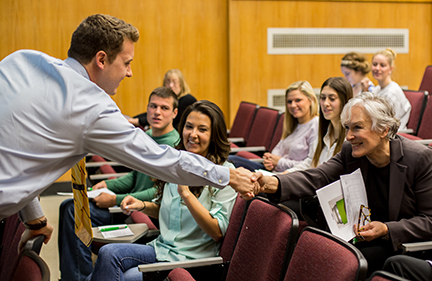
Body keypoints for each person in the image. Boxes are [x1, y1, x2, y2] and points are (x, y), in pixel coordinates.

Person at [0, 14, 258, 253]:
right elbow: (159, 160)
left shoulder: (22, 59)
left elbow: (21, 150)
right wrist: (228, 175)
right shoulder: (90, 105)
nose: (129, 72)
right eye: (126, 63)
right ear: (101, 60)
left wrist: (34, 218)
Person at [256, 92, 432, 276]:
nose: (348, 136)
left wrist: (387, 229)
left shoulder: (420, 159)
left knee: (344, 263)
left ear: (383, 129)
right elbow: (317, 176)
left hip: (401, 244)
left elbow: (429, 221)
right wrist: (272, 181)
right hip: (361, 237)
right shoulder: (351, 151)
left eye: (357, 128)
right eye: (347, 128)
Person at [86, 100, 237, 281]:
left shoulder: (224, 174)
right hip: (161, 248)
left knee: (115, 277)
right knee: (107, 252)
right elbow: (169, 211)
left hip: (190, 261)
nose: (193, 134)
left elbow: (217, 232)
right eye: (189, 127)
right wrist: (142, 205)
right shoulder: (178, 163)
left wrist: (187, 195)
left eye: (202, 129)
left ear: (214, 135)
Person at [58, 86, 180, 281]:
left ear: (175, 113)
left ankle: (80, 277)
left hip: (143, 213)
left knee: (73, 211)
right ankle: (73, 276)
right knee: (68, 206)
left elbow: (159, 194)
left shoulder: (174, 146)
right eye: (153, 106)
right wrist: (108, 185)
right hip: (127, 207)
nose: (157, 112)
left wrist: (115, 199)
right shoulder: (146, 137)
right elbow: (134, 176)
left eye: (164, 108)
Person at [229, 81, 319, 172]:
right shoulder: (293, 124)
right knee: (230, 160)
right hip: (274, 171)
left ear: (311, 100)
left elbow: (312, 164)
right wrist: (270, 161)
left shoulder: (316, 124)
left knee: (232, 162)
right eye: (289, 101)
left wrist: (279, 162)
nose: (293, 105)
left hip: (288, 176)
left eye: (298, 100)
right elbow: (278, 149)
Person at [285, 77, 353, 173]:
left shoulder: (350, 138)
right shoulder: (324, 131)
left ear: (345, 101)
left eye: (332, 99)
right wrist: (287, 174)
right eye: (323, 98)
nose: (325, 103)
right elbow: (311, 162)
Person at [128, 69, 197, 130]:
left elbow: (164, 118)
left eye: (174, 82)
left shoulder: (187, 100)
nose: (171, 85)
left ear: (181, 84)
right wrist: (133, 119)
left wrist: (137, 121)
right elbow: (150, 113)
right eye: (168, 82)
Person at [362, 48, 411, 131]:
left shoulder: (392, 93)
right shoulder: (377, 89)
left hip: (393, 135)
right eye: (374, 64)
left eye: (382, 65)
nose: (377, 68)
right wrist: (364, 91)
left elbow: (388, 124)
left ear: (391, 69)